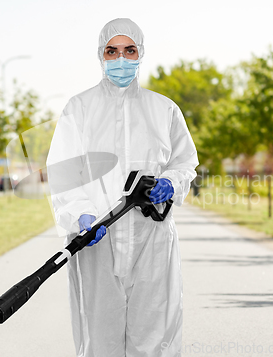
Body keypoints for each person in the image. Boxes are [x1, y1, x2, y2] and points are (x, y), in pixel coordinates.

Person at [46, 18, 199, 357]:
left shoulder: (164, 109)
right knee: (99, 336)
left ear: (141, 53)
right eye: (111, 51)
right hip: (96, 238)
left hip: (152, 239)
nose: (120, 59)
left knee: (156, 330)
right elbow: (63, 172)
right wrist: (81, 215)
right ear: (100, 55)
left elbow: (185, 162)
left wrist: (169, 183)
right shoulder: (80, 108)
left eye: (129, 50)